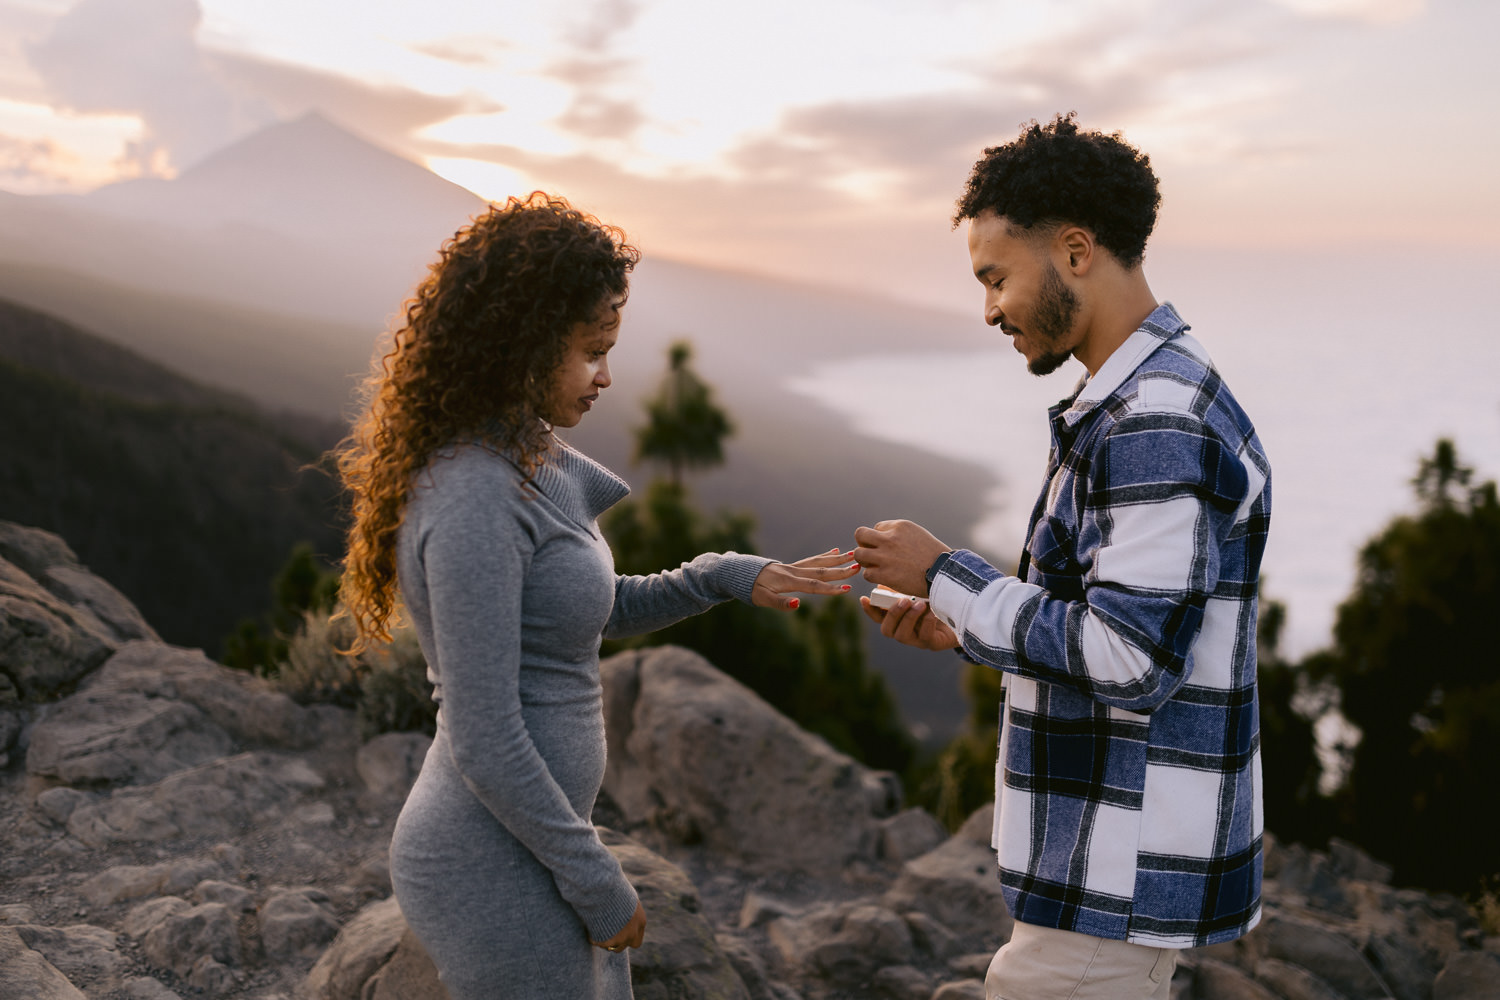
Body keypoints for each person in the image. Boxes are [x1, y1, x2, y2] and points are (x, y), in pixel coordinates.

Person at [335, 192, 857, 1000]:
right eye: (590, 351)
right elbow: (483, 734)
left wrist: (721, 576)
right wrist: (596, 880)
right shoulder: (473, 494)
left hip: (534, 845)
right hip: (487, 858)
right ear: (522, 343)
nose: (607, 376)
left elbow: (589, 613)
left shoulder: (525, 454)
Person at [851, 113, 1270, 999]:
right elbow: (1114, 622)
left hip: (1116, 872)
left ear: (1076, 251)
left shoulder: (1153, 420)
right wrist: (964, 627)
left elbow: (1130, 660)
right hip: (1105, 859)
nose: (990, 308)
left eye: (996, 276)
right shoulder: (1139, 398)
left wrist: (947, 576)